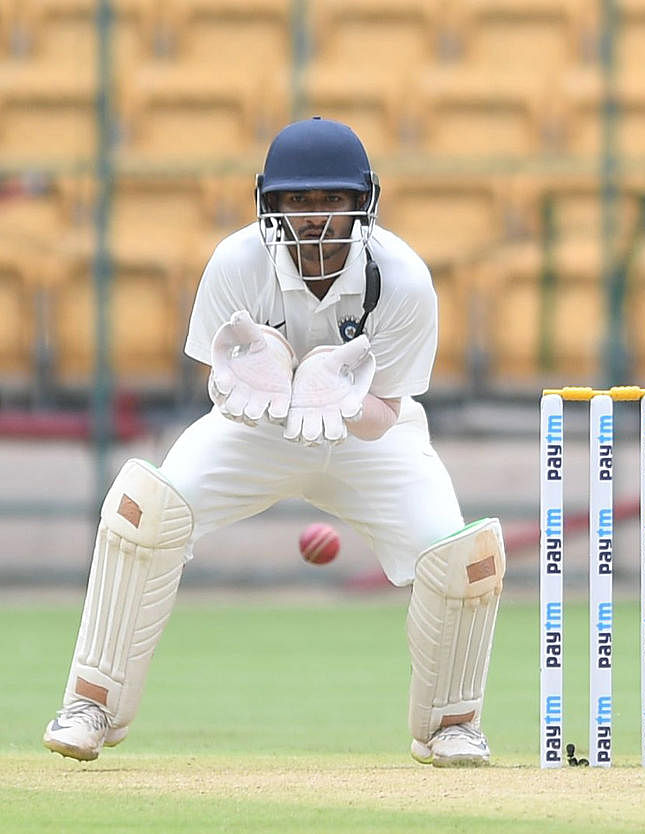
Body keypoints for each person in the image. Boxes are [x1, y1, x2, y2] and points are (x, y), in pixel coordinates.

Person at [43, 117, 505, 768]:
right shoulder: (237, 261)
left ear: (361, 202)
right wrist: (265, 380)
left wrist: (337, 398)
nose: (314, 218)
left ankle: (451, 726)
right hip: (256, 430)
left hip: (364, 437)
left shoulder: (401, 280)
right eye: (298, 202)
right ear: (271, 205)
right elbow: (218, 385)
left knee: (465, 557)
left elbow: (388, 412)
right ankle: (90, 705)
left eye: (330, 201)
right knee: (142, 511)